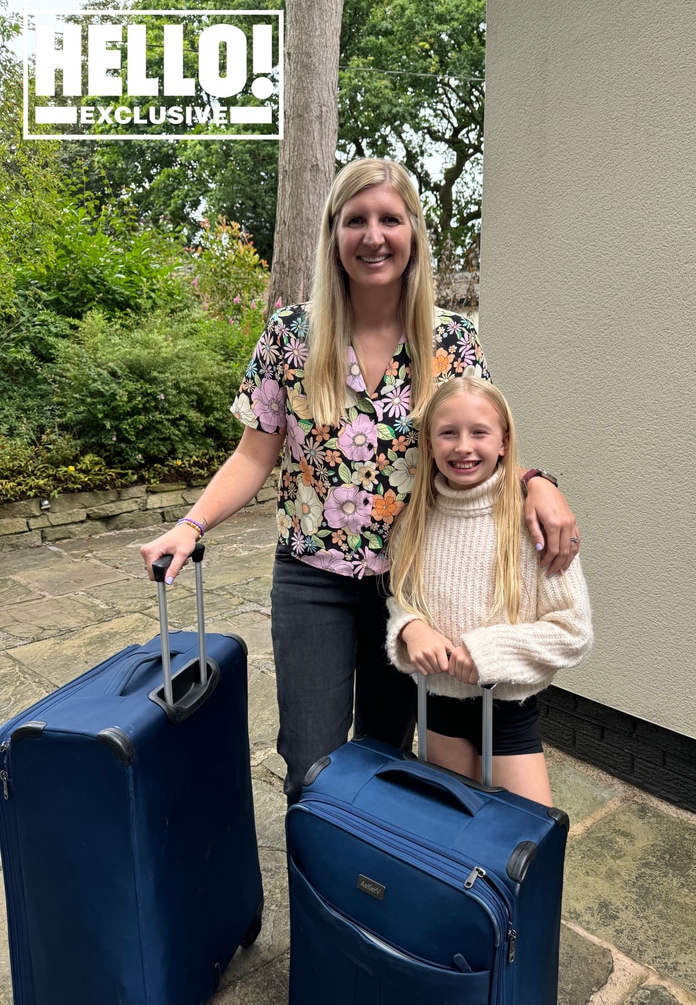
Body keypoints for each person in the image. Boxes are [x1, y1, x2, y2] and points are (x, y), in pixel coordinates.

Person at [140, 157, 582, 805]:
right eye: (356, 220)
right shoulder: (291, 336)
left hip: (410, 585)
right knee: (310, 757)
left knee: (387, 752)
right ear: (333, 234)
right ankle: (318, 890)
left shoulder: (453, 342)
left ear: (413, 235)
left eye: (389, 219)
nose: (373, 235)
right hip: (311, 578)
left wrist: (537, 481)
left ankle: (372, 892)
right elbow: (254, 456)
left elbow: (480, 441)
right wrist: (190, 523)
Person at [386, 375, 593, 805]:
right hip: (437, 708)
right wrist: (409, 627)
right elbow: (400, 597)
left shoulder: (530, 521)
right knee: (449, 840)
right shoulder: (414, 521)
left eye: (479, 432)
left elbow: (573, 631)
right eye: (448, 433)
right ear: (428, 444)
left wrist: (486, 651)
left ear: (503, 441)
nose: (463, 446)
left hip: (507, 715)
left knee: (524, 848)